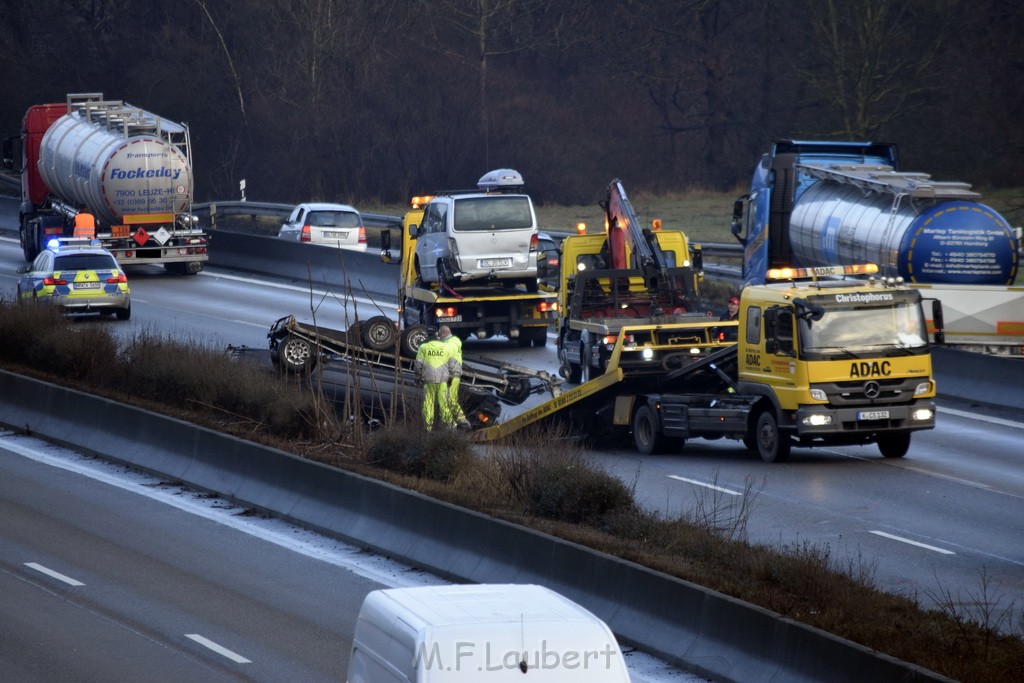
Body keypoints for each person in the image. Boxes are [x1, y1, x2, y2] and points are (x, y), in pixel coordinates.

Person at [414, 327, 457, 430]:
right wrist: (451, 377)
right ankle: (450, 426)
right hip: (442, 380)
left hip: (428, 380)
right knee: (443, 403)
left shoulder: (423, 347)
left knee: (428, 403)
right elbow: (452, 364)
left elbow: (418, 364)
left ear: (427, 334)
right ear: (437, 334)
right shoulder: (445, 346)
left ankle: (428, 428)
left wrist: (417, 378)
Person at [439, 325, 471, 430]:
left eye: (440, 336)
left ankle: (452, 427)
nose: (440, 338)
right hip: (456, 375)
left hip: (450, 375)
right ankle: (463, 422)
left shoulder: (447, 345)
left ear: (443, 334)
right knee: (452, 400)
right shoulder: (456, 341)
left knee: (445, 401)